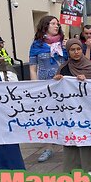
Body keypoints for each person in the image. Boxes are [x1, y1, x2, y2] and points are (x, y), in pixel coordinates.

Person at [53, 39, 91, 179]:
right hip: (70, 111)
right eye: (72, 50)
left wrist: (86, 81)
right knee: (71, 138)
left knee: (87, 137)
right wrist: (57, 81)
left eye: (78, 49)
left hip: (87, 111)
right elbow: (58, 92)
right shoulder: (63, 68)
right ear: (68, 51)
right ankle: (73, 168)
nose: (76, 52)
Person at [29, 15, 68, 163]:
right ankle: (48, 147)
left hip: (63, 84)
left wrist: (67, 47)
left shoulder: (63, 43)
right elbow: (33, 68)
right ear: (45, 26)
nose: (56, 26)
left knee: (65, 113)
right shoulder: (37, 45)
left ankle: (68, 144)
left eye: (57, 24)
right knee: (47, 116)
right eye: (53, 23)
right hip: (45, 84)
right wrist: (36, 85)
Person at [0, 39, 25, 182]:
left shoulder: (4, 68)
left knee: (8, 142)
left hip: (3, 113)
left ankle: (15, 171)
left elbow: (14, 89)